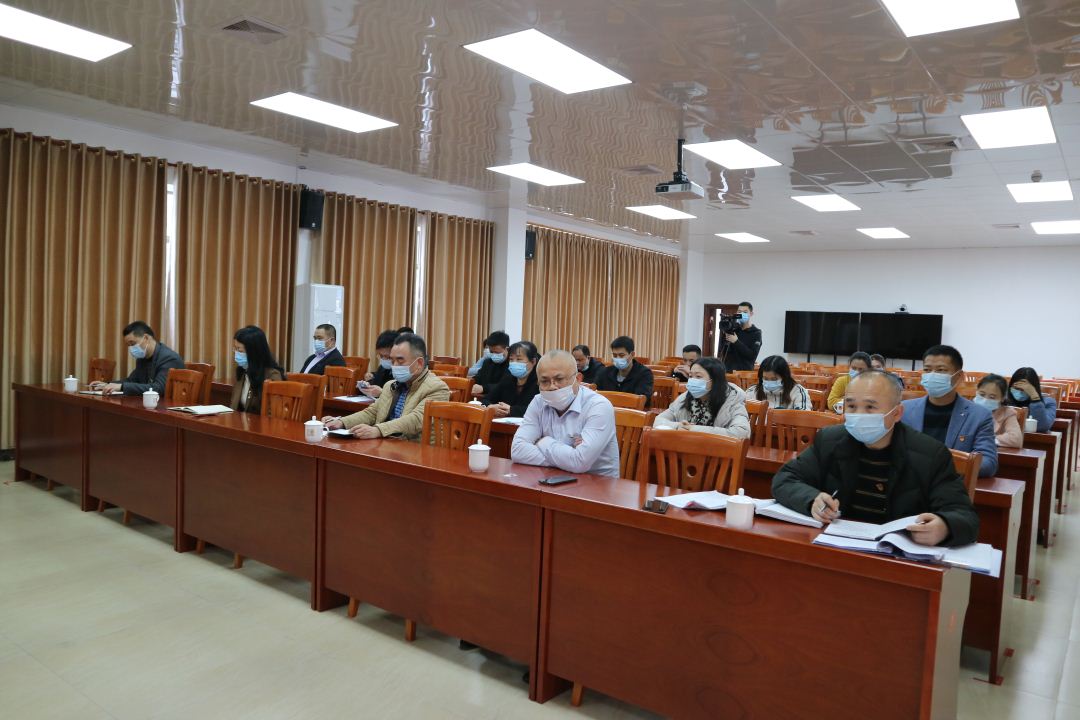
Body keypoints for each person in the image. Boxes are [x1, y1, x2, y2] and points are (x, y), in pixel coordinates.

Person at [772, 370, 979, 547]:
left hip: (897, 557)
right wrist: (812, 500)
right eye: (851, 406)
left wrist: (944, 527)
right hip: (837, 546)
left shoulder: (930, 454)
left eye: (870, 407)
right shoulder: (830, 440)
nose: (859, 414)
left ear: (897, 413)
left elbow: (964, 516)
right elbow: (785, 479)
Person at [511, 350, 620, 477]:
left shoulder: (598, 406)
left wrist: (542, 441)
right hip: (552, 477)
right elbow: (517, 451)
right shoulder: (538, 402)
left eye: (559, 379)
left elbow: (580, 462)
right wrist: (568, 459)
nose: (552, 387)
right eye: (545, 381)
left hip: (597, 483)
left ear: (577, 379)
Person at [323, 333, 449, 440]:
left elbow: (416, 420)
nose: (394, 366)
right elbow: (372, 413)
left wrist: (378, 430)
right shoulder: (391, 385)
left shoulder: (437, 388)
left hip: (416, 450)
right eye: (392, 360)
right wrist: (342, 422)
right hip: (387, 444)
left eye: (400, 360)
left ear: (419, 363)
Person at [900, 345, 997, 477]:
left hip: (950, 484)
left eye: (941, 370)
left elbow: (988, 463)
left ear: (959, 376)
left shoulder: (979, 415)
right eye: (927, 370)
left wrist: (939, 466)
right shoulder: (904, 409)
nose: (932, 375)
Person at [654, 357, 751, 437]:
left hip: (716, 452)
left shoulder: (732, 400)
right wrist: (678, 426)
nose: (692, 380)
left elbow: (742, 432)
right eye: (690, 376)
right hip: (686, 448)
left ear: (714, 381)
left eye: (698, 377)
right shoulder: (685, 397)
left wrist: (695, 429)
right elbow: (658, 421)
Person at [89, 321, 185, 396]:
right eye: (128, 345)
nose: (131, 348)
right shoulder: (142, 358)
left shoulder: (168, 358)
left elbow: (158, 388)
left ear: (146, 338)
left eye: (133, 343)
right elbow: (132, 380)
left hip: (168, 407)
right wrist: (108, 384)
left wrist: (121, 387)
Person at [229, 325, 285, 414]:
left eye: (239, 350)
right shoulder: (242, 372)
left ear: (253, 352)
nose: (236, 353)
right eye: (235, 349)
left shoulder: (272, 376)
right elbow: (235, 406)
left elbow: (273, 413)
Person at [484, 341, 541, 418]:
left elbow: (541, 411)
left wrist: (512, 410)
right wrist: (491, 407)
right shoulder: (507, 379)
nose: (514, 363)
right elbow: (486, 399)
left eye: (519, 359)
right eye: (511, 359)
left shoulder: (540, 383)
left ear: (533, 361)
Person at [595, 336, 654, 407]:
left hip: (631, 412)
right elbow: (595, 395)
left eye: (621, 355)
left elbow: (640, 400)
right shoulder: (605, 372)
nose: (617, 359)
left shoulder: (644, 374)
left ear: (632, 355)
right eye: (615, 355)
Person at [745, 355, 811, 410]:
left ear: (784, 377)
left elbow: (804, 415)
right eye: (765, 378)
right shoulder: (753, 391)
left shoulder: (797, 391)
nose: (769, 382)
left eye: (774, 379)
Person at [975, 374, 1023, 448]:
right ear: (976, 391)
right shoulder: (967, 408)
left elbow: (1016, 439)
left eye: (992, 397)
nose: (985, 400)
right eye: (982, 394)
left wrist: (987, 439)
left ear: (1002, 398)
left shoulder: (1007, 413)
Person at [1007, 367, 1058, 433]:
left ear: (1034, 388)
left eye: (1025, 389)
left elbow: (1042, 427)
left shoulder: (1048, 402)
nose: (1020, 392)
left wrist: (1035, 398)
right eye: (1017, 388)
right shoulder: (1004, 399)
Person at [721, 301, 762, 372]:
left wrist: (736, 342)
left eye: (745, 312)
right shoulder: (734, 329)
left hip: (744, 374)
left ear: (751, 314)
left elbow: (752, 356)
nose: (741, 314)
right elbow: (723, 351)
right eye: (739, 312)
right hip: (727, 371)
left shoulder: (756, 333)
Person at [359, 329, 399, 398]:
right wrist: (367, 385)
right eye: (381, 356)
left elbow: (401, 396)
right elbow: (376, 383)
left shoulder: (402, 372)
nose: (384, 359)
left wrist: (382, 393)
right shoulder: (382, 368)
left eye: (388, 357)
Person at [469, 330, 510, 397]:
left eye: (496, 352)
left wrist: (484, 388)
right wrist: (468, 382)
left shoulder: (512, 365)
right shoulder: (487, 362)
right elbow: (478, 378)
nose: (493, 355)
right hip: (484, 398)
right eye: (491, 352)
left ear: (507, 349)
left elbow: (505, 386)